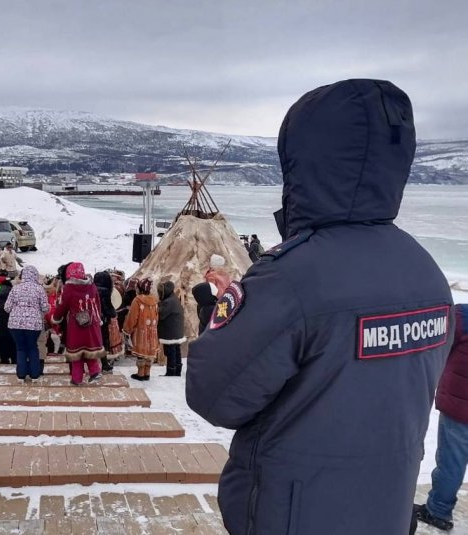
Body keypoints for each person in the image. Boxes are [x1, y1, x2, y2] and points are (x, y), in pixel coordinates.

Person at [185, 79, 453, 535]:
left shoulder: (292, 277)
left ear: (303, 161)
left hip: (294, 513)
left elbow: (215, 396)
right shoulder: (425, 271)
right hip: (386, 506)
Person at [414, 304, 468, 531]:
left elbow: (438, 346)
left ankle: (438, 510)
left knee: (451, 461)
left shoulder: (463, 316)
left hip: (460, 406)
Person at [52, 262, 105, 386]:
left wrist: (56, 318)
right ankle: (95, 372)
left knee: (76, 353)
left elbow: (62, 306)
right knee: (90, 350)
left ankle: (77, 379)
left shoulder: (69, 289)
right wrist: (98, 318)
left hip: (76, 326)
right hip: (92, 324)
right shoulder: (92, 286)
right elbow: (97, 304)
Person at [5, 265, 49, 382]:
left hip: (15, 324)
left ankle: (21, 375)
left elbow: (7, 307)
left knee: (20, 349)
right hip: (33, 324)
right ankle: (35, 375)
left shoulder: (15, 288)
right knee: (33, 348)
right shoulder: (40, 289)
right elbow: (45, 308)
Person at [122, 278, 160, 381]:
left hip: (141, 331)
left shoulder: (137, 300)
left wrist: (127, 329)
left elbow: (132, 317)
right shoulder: (154, 300)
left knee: (141, 354)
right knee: (149, 353)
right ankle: (147, 373)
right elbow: (157, 317)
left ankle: (140, 374)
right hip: (152, 331)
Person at [157, 280, 186, 377]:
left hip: (170, 331)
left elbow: (161, 315)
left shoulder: (168, 302)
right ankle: (177, 370)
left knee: (170, 351)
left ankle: (171, 372)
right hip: (176, 330)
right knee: (176, 350)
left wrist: (158, 305)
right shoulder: (174, 299)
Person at [93, 271, 119, 372]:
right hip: (102, 321)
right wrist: (113, 314)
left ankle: (91, 365)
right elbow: (108, 308)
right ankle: (104, 364)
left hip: (92, 320)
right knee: (102, 343)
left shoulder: (92, 289)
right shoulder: (105, 291)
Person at [0, 279, 17, 364]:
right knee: (13, 341)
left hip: (0, 324)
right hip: (12, 322)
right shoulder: (14, 298)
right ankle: (14, 358)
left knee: (2, 341)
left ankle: (4, 358)